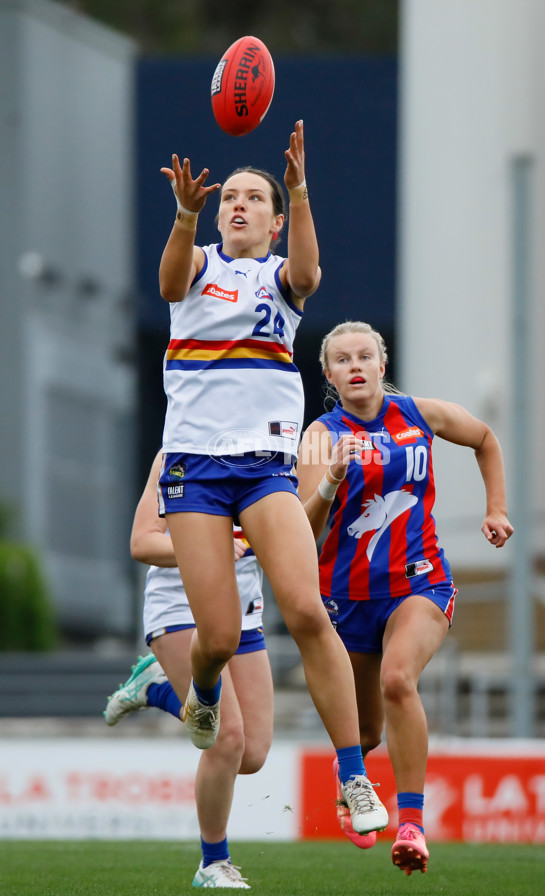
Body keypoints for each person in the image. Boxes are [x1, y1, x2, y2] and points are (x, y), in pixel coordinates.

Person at [156, 121, 387, 836]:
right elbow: (166, 282)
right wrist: (185, 213)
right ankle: (199, 694)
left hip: (263, 469)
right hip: (195, 472)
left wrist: (301, 189)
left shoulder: (279, 281)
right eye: (233, 198)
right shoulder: (195, 263)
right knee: (219, 637)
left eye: (256, 199)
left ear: (276, 219)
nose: (241, 205)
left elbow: (311, 276)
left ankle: (353, 778)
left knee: (308, 611)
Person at [296, 320, 514, 874]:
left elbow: (485, 438)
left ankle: (411, 824)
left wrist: (496, 508)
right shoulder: (322, 435)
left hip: (419, 583)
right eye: (343, 360)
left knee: (399, 680)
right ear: (329, 375)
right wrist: (331, 480)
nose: (356, 367)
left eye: (365, 356)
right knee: (366, 731)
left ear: (381, 363)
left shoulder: (419, 414)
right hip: (346, 598)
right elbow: (301, 530)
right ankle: (352, 782)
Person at [104, 449, 271, 889]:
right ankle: (212, 862)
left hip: (246, 613)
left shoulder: (275, 455)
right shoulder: (175, 454)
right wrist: (207, 549)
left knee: (251, 754)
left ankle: (156, 689)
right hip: (179, 609)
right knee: (226, 738)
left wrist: (329, 486)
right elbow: (143, 542)